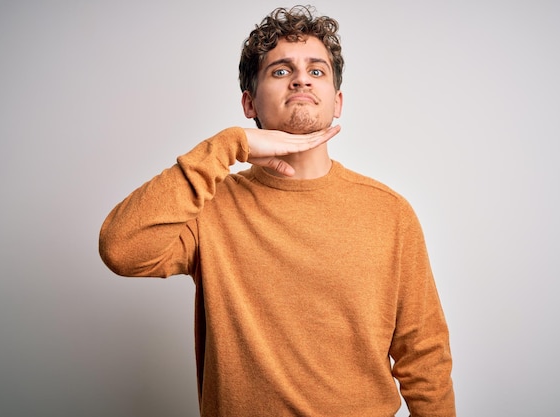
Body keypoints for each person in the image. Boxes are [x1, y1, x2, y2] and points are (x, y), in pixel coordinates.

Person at [99, 5, 455, 417]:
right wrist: (226, 146)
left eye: (317, 71)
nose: (302, 77)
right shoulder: (210, 207)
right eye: (281, 70)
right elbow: (121, 249)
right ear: (249, 103)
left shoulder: (390, 213)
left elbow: (424, 355)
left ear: (337, 102)